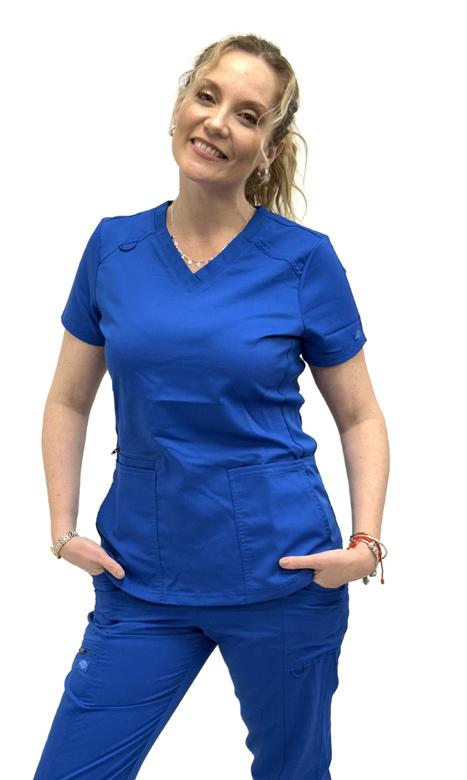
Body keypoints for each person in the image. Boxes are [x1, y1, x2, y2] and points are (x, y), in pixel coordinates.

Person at [33, 33, 389, 780]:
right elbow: (68, 400)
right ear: (178, 107)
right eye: (207, 96)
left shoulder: (303, 260)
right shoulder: (113, 249)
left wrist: (365, 544)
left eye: (248, 115)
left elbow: (359, 416)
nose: (218, 122)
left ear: (268, 148)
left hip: (284, 576)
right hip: (141, 579)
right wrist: (63, 531)